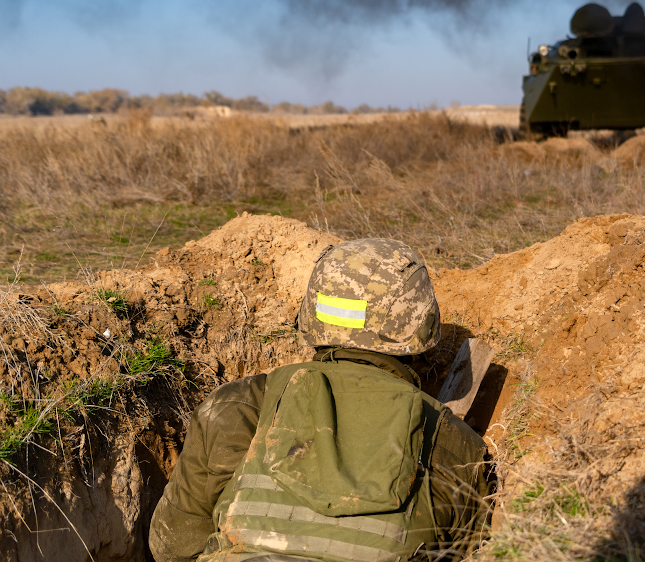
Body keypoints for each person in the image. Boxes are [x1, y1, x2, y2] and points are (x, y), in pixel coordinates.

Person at [149, 238, 493, 562]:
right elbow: (473, 548)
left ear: (312, 312)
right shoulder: (456, 444)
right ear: (419, 321)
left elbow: (172, 545)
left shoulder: (234, 407)